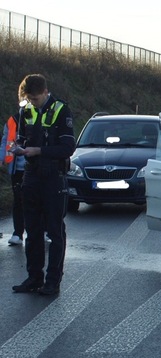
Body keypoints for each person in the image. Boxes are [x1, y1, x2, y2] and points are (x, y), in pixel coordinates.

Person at [11, 74, 76, 296]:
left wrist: (39, 151)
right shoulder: (25, 110)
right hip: (31, 175)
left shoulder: (61, 110)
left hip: (53, 177)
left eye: (36, 99)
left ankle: (53, 281)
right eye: (29, 98)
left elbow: (68, 148)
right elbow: (21, 137)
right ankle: (34, 277)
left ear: (46, 93)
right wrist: (17, 146)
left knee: (55, 231)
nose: (33, 102)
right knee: (33, 230)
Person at [2, 110, 25, 246]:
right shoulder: (13, 121)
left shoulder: (41, 116)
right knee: (18, 201)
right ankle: (17, 233)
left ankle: (44, 230)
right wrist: (2, 157)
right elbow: (6, 141)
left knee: (37, 200)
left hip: (34, 168)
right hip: (16, 168)